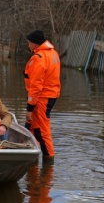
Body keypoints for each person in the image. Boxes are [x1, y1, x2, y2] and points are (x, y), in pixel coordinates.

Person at [24, 30, 61, 158]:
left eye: (29, 43)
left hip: (41, 98)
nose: (28, 45)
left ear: (35, 43)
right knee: (31, 128)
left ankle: (48, 164)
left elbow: (35, 86)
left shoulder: (39, 59)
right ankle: (31, 158)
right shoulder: (53, 53)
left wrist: (30, 107)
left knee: (41, 131)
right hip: (50, 95)